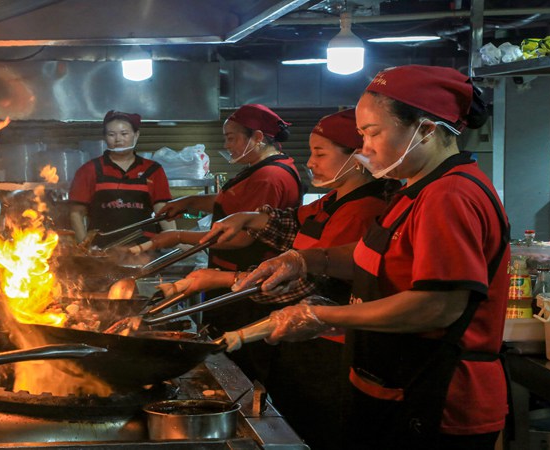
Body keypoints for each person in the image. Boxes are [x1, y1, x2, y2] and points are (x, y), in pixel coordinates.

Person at [231, 65, 510, 450]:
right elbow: (377, 257)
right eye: (362, 135)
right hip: (392, 383)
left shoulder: (450, 196)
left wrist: (321, 315)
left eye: (373, 133)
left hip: (437, 398)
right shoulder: (414, 189)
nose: (363, 149)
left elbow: (437, 306)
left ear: (426, 129)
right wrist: (306, 260)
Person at [164, 109, 398, 450]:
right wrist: (247, 218)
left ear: (358, 158)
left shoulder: (362, 211)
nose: (310, 162)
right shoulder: (333, 200)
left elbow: (306, 287)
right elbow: (292, 222)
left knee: (315, 432)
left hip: (330, 350)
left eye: (321, 154)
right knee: (294, 417)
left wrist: (220, 279)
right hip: (299, 342)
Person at [147, 104, 303, 384]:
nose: (226, 145)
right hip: (231, 285)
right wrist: (190, 202)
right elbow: (229, 203)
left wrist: (178, 236)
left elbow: (241, 238)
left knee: (242, 367)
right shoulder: (256, 169)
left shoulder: (271, 177)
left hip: (249, 291)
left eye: (231, 138)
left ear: (256, 137)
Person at [68, 110, 175, 248]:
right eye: (111, 135)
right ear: (105, 138)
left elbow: (163, 210)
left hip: (144, 249)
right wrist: (84, 248)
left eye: (124, 134)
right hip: (102, 250)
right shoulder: (89, 170)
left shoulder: (153, 170)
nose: (118, 139)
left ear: (136, 135)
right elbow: (76, 213)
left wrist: (175, 238)